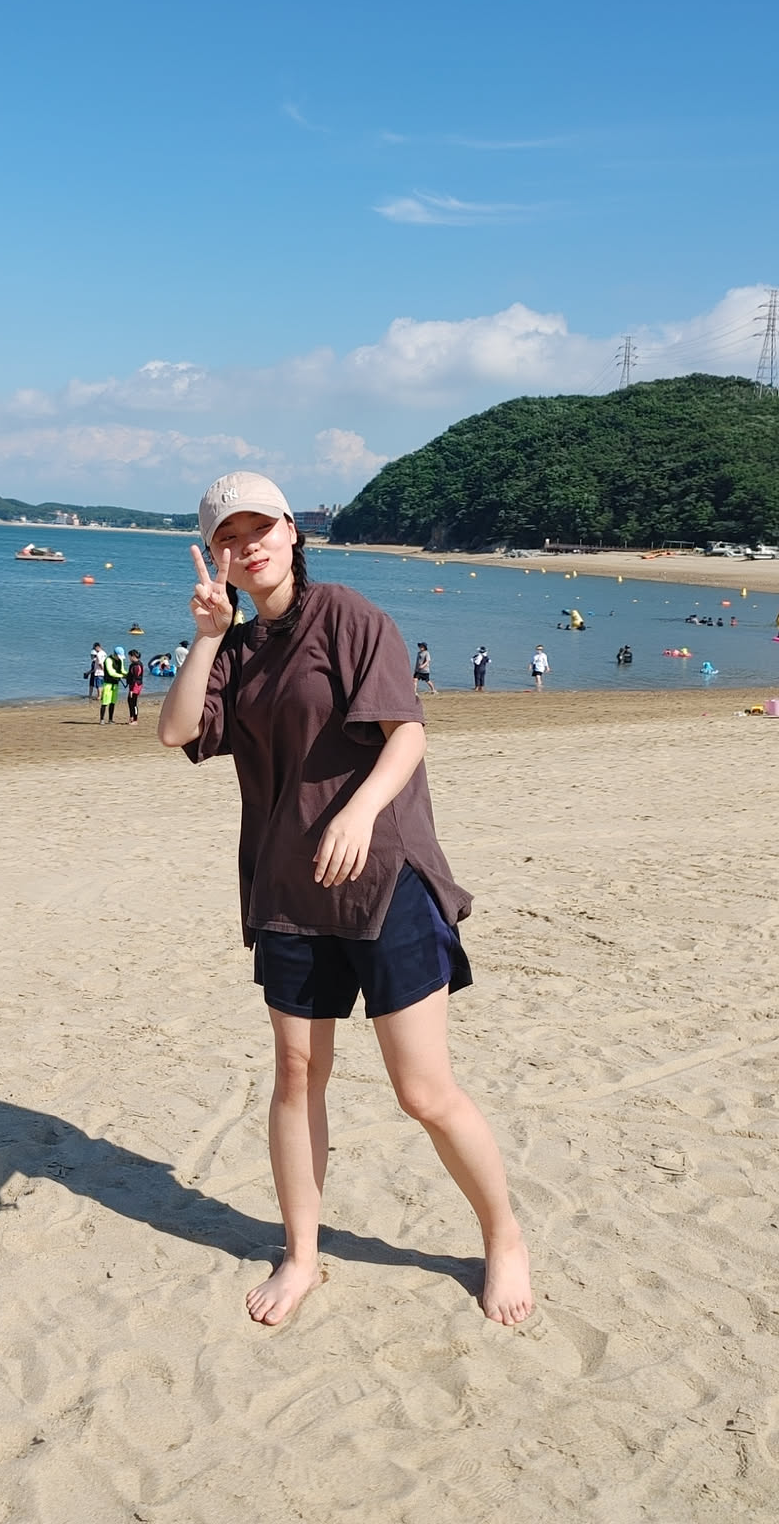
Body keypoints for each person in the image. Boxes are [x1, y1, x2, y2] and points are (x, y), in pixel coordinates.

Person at [158, 471, 533, 1330]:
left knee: (422, 1091)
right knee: (297, 1074)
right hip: (287, 890)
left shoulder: (349, 617)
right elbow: (177, 731)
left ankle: (503, 1234)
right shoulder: (238, 651)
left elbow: (407, 732)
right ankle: (302, 1255)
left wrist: (359, 813)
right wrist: (208, 639)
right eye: (227, 538)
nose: (246, 546)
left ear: (292, 531)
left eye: (259, 528)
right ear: (215, 555)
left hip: (383, 880)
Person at [99, 647, 126, 724]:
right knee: (105, 702)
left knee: (113, 702)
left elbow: (122, 670)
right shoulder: (108, 660)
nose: (120, 658)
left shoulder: (120, 660)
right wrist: (122, 676)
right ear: (115, 654)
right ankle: (102, 719)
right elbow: (111, 672)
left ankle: (110, 719)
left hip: (115, 683)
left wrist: (128, 674)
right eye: (119, 656)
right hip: (108, 684)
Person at [126, 649, 145, 724]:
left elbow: (135, 678)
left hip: (136, 686)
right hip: (133, 685)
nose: (129, 658)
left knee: (134, 702)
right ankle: (131, 717)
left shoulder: (137, 666)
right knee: (129, 701)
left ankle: (135, 720)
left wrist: (131, 690)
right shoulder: (133, 665)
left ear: (133, 656)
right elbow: (131, 676)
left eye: (129, 657)